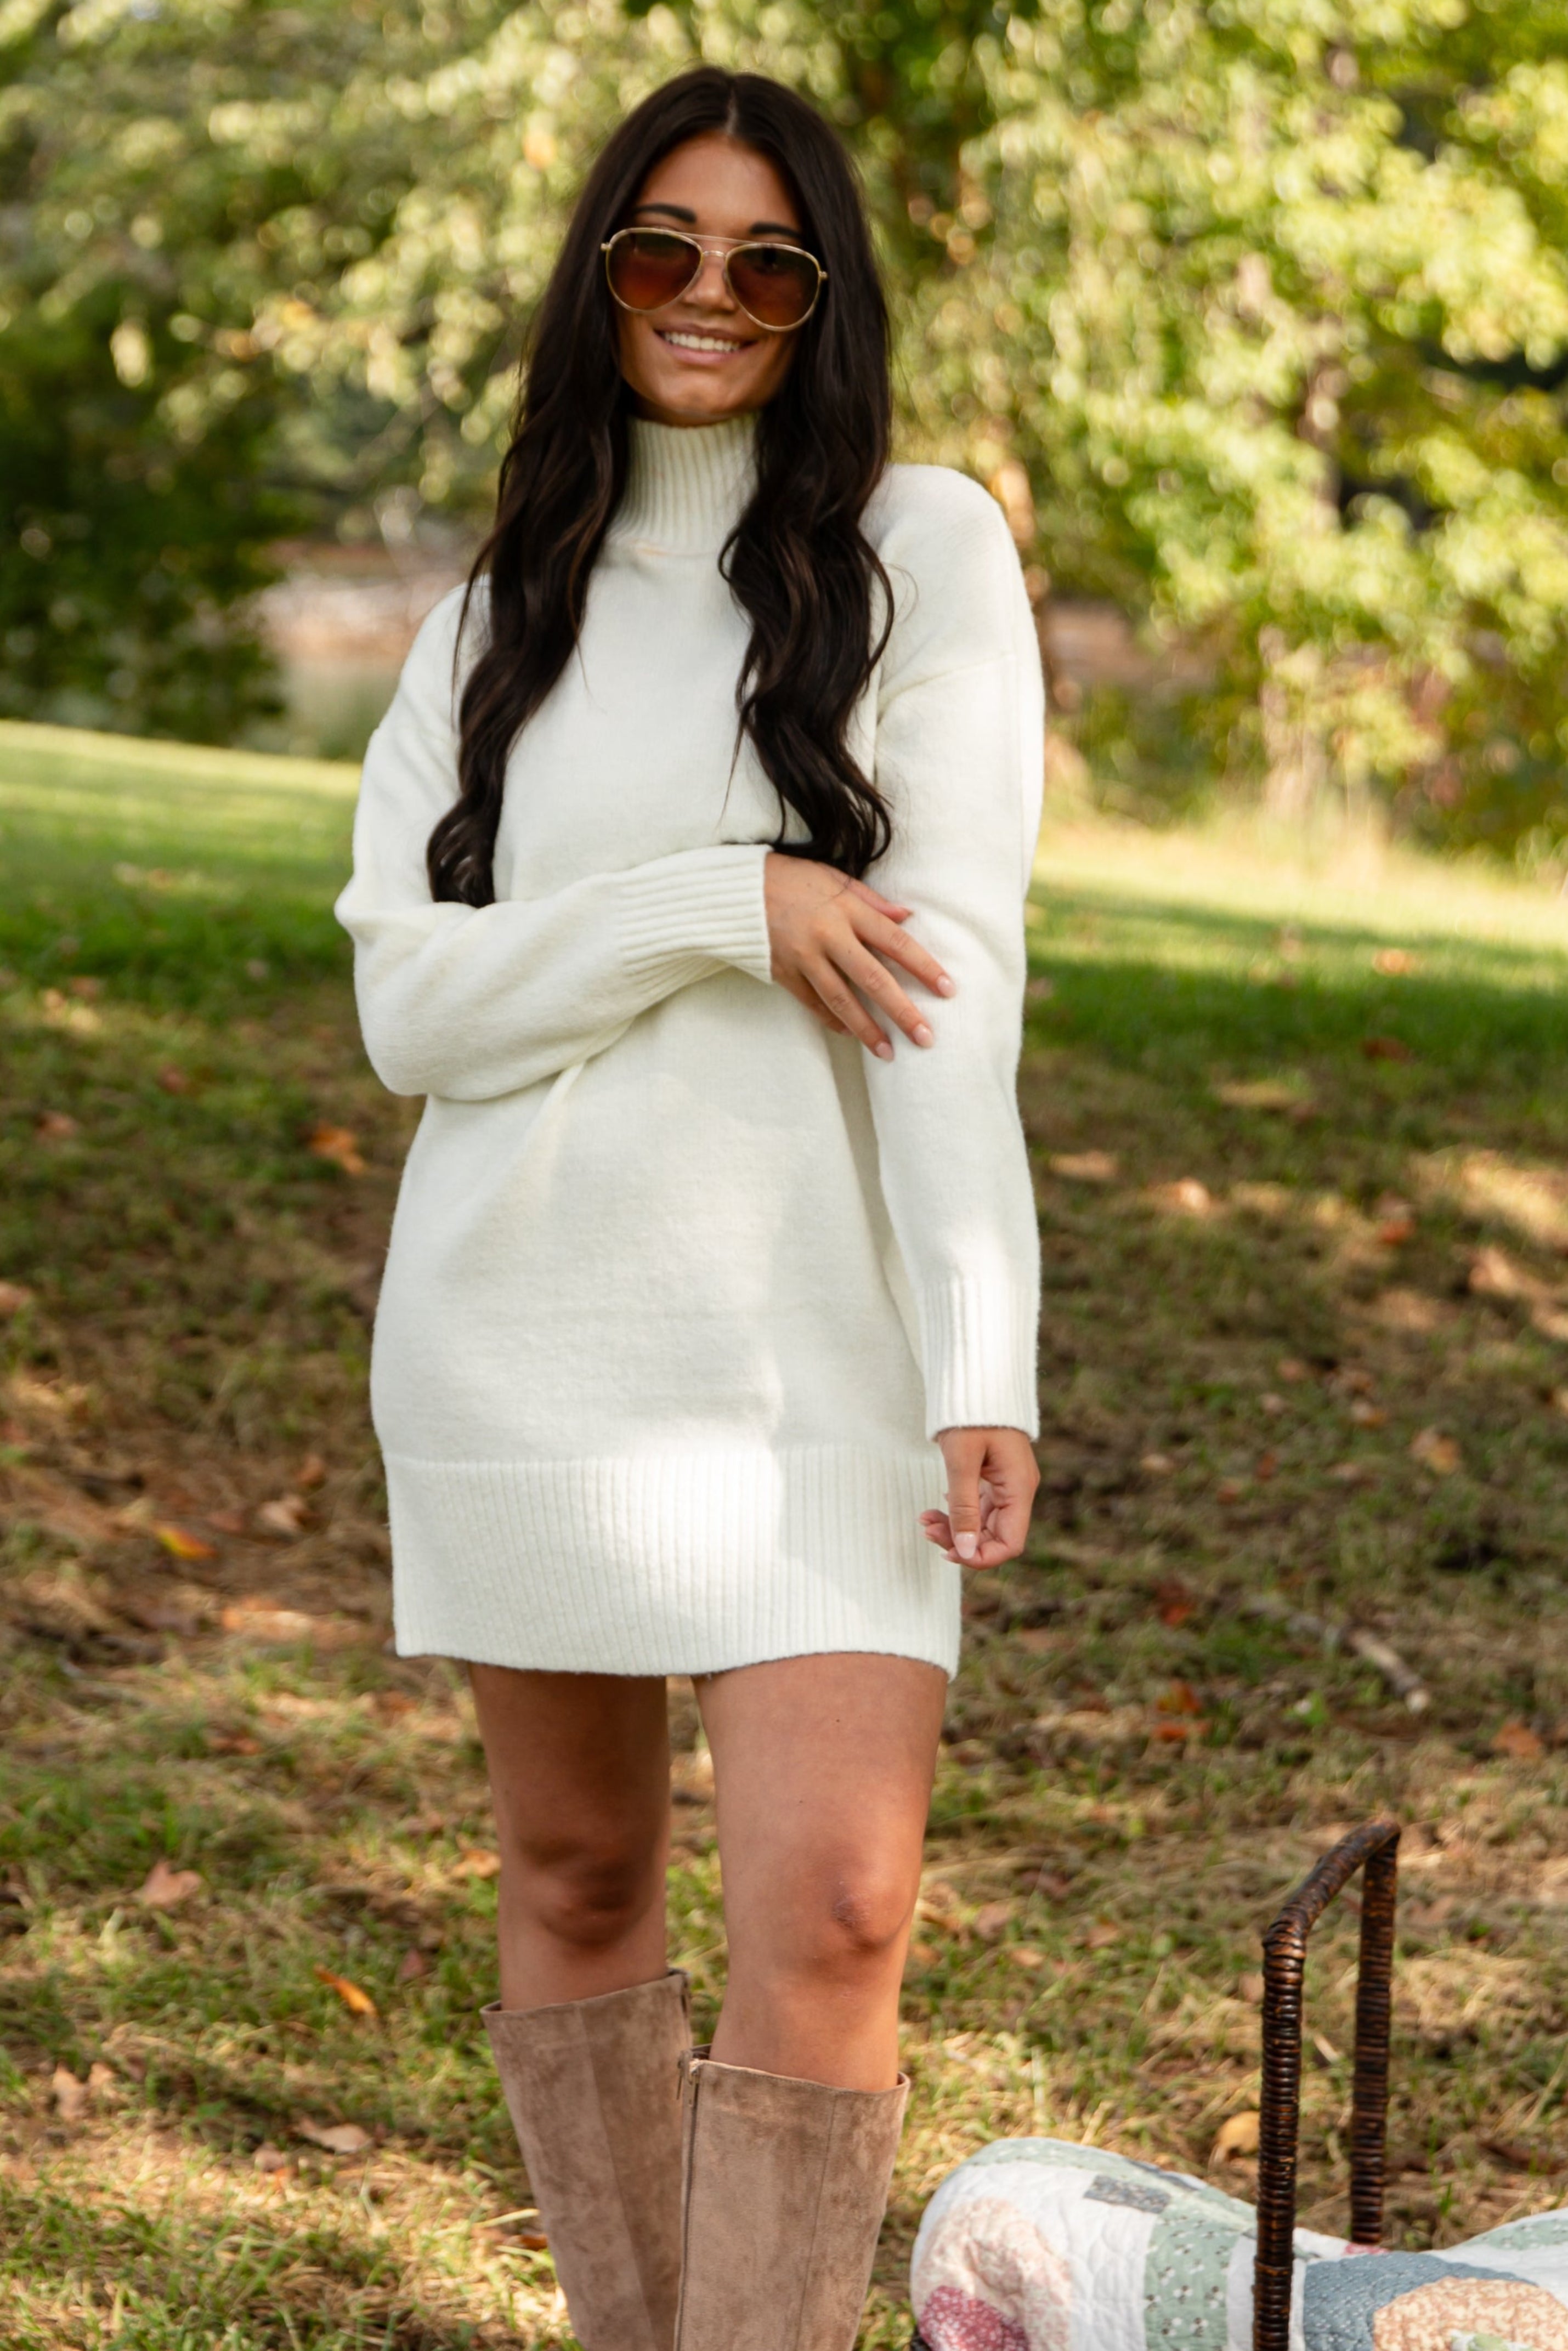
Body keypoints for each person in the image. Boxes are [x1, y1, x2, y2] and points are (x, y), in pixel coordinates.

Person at [336, 62, 1043, 2351]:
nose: (708, 296)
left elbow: (954, 980)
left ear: (820, 298)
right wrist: (713, 898)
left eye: (765, 261)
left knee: (835, 1902)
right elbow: (412, 1014)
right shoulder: (492, 618)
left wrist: (978, 1346)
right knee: (574, 1870)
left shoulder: (915, 552)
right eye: (661, 250)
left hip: (812, 1347)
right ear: (599, 275)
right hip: (521, 1323)